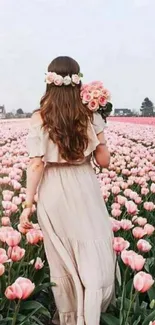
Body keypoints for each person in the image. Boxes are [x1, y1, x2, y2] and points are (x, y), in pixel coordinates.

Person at [20, 56, 115, 325]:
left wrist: (28, 204)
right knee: (90, 247)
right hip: (84, 185)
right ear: (78, 81)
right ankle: (93, 311)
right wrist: (102, 131)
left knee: (63, 255)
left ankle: (69, 316)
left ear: (49, 81)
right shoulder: (90, 114)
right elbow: (104, 161)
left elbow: (37, 163)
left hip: (54, 190)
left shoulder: (40, 117)